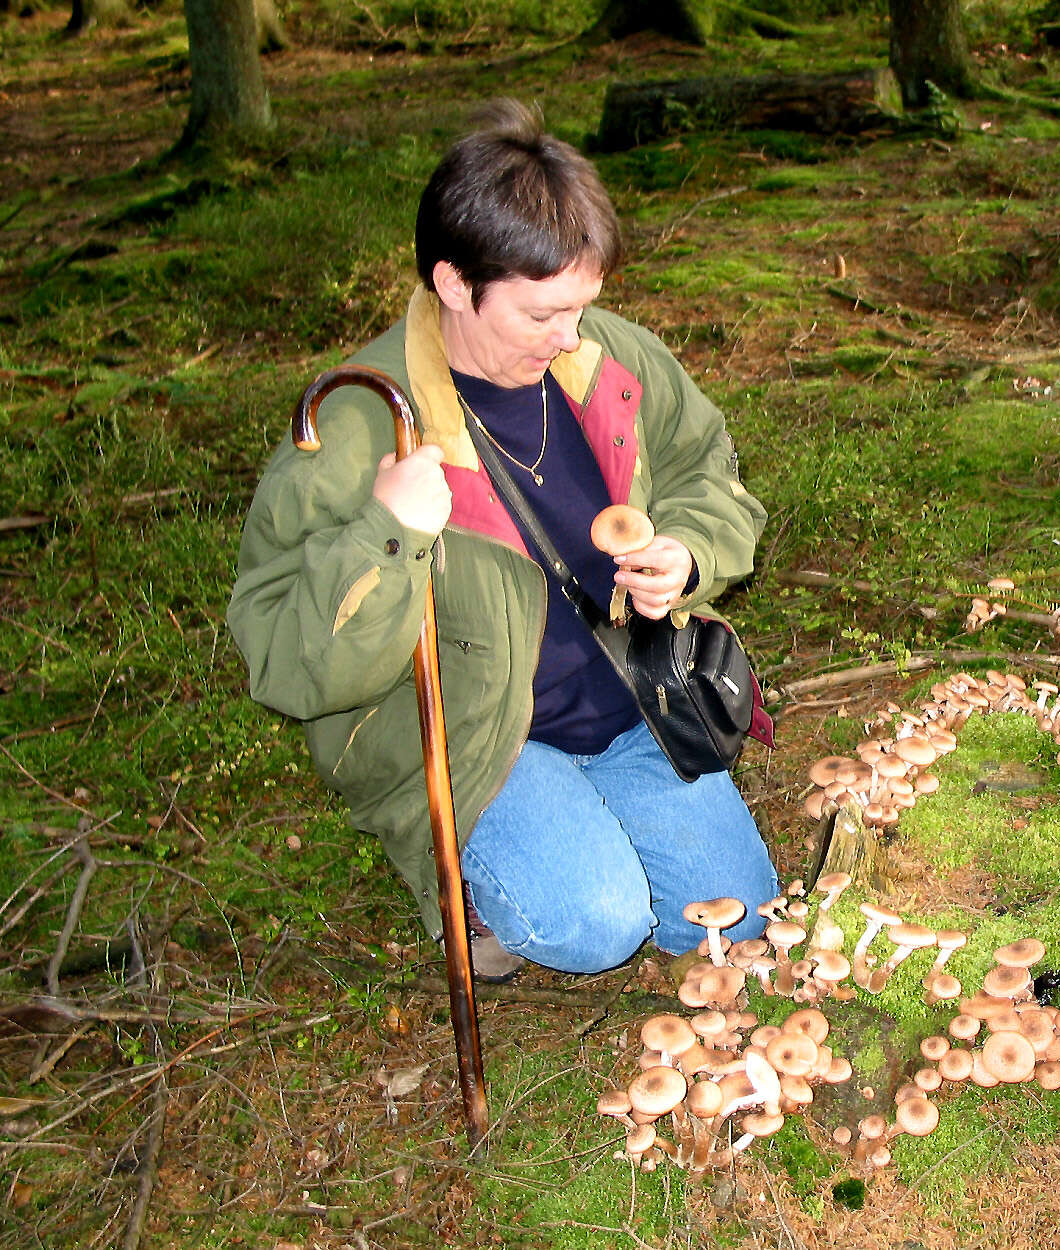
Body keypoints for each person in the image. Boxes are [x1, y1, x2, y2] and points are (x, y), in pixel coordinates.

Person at [228, 100, 777, 983]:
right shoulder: (358, 431)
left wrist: (686, 550)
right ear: (453, 283)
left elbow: (707, 470)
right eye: (540, 315)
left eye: (583, 306)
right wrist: (388, 534)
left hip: (632, 702)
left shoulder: (609, 360)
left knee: (741, 912)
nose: (569, 337)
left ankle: (593, 812)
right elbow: (287, 666)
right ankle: (493, 879)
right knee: (594, 925)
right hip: (487, 742)